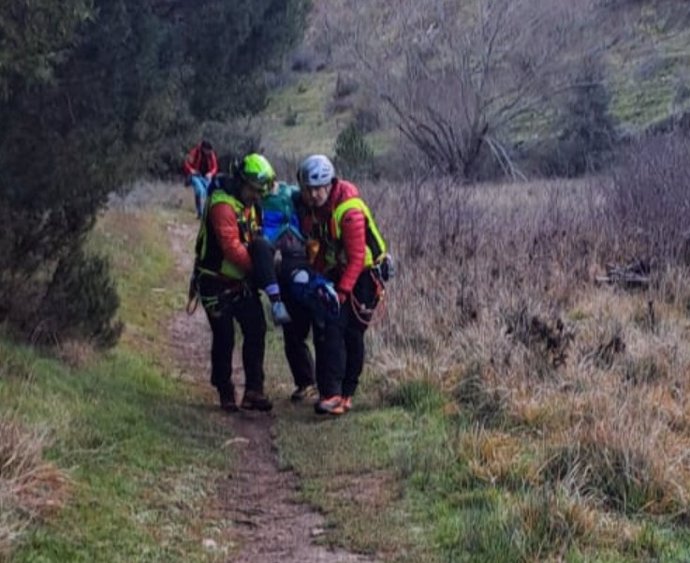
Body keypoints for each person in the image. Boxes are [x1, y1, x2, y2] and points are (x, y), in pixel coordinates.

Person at [297, 155, 390, 415]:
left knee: (351, 333)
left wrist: (340, 293)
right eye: (309, 189)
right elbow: (326, 246)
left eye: (318, 188)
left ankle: (346, 393)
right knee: (333, 331)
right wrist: (316, 278)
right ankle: (334, 394)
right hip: (340, 272)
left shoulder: (349, 211)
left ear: (329, 185)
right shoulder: (318, 210)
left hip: (364, 277)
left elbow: (358, 258)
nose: (314, 194)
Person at [191, 153, 275, 413]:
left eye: (260, 191)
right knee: (224, 336)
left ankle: (254, 390)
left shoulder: (252, 205)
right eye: (253, 190)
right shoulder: (222, 206)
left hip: (242, 283)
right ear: (241, 182)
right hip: (215, 282)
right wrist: (261, 271)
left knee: (256, 329)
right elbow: (232, 249)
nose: (257, 196)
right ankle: (225, 389)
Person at [260, 179, 339, 402]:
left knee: (307, 330)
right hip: (292, 267)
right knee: (300, 330)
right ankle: (313, 384)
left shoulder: (303, 201)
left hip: (306, 265)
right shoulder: (272, 203)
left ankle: (319, 385)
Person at [184, 140, 218, 218]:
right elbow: (186, 163)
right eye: (207, 150)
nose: (209, 152)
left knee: (208, 193)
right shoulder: (195, 152)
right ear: (203, 149)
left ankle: (207, 213)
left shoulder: (211, 154)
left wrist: (211, 173)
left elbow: (215, 167)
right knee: (199, 191)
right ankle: (200, 213)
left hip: (206, 177)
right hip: (196, 175)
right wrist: (191, 170)